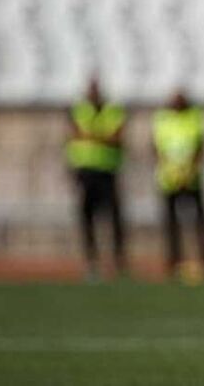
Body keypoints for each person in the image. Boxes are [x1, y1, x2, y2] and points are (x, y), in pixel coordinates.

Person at [65, 77, 128, 279]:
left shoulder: (112, 110)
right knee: (87, 218)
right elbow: (75, 135)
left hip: (107, 170)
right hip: (85, 171)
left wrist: (91, 135)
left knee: (114, 216)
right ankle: (91, 261)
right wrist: (102, 136)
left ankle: (118, 260)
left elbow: (116, 137)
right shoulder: (79, 110)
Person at [153, 90, 204, 281]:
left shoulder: (195, 117)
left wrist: (190, 169)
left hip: (192, 178)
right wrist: (171, 169)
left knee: (200, 222)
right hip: (170, 179)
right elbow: (157, 148)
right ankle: (174, 260)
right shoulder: (162, 119)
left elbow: (201, 145)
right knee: (171, 223)